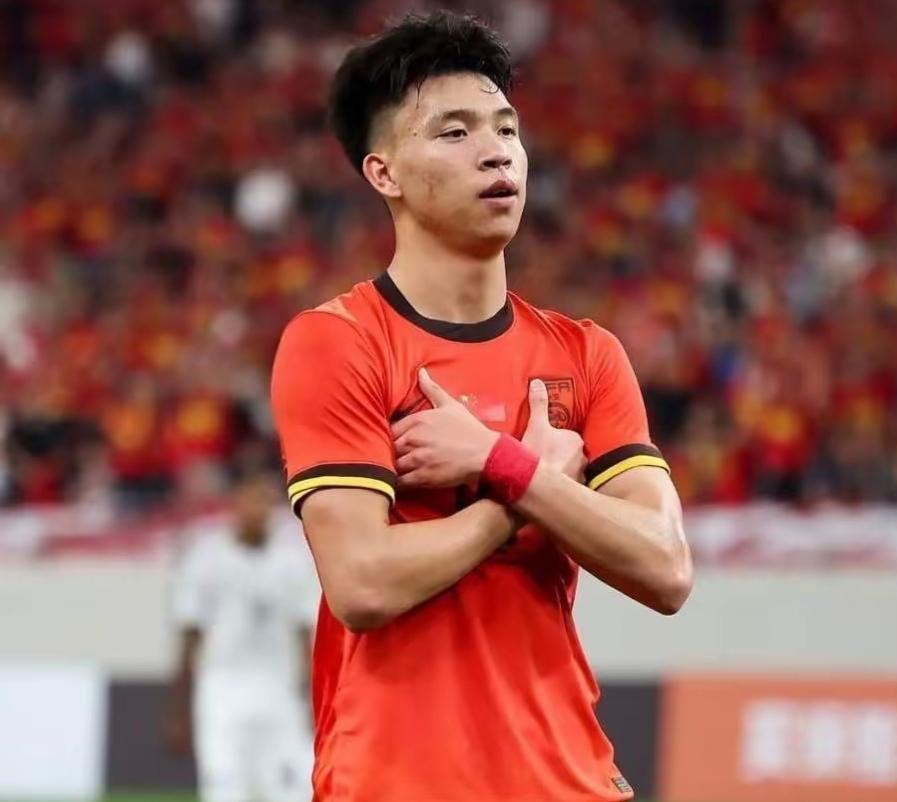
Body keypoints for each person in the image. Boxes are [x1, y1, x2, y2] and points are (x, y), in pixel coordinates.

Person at [270, 11, 693, 802]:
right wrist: (521, 488)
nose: (496, 151)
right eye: (454, 132)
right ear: (384, 174)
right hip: (394, 784)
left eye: (506, 129)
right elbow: (362, 583)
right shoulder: (338, 342)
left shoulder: (587, 355)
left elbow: (666, 568)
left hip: (566, 780)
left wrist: (502, 464)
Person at [166, 472, 317, 802]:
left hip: (278, 688)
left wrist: (311, 697)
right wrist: (178, 710)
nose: (258, 510)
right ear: (235, 505)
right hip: (222, 687)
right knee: (225, 785)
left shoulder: (292, 562)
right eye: (251, 501)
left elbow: (304, 632)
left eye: (265, 502)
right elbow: (190, 633)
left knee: (289, 787)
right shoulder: (206, 558)